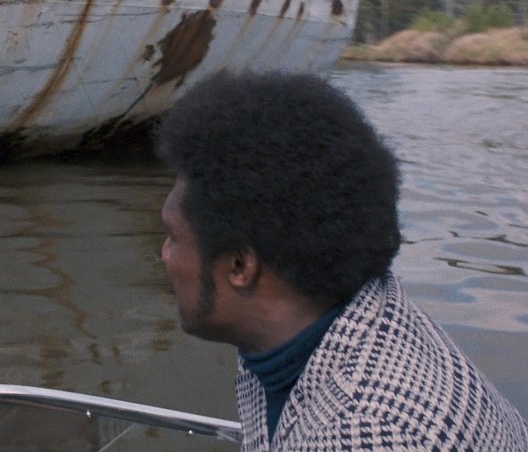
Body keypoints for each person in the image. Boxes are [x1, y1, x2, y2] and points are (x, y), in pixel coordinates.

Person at [156, 72, 528, 450]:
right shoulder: (334, 322)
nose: (165, 255)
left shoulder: (369, 432)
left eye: (173, 237)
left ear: (240, 266)